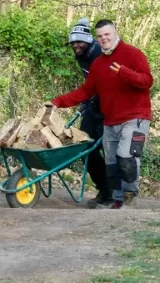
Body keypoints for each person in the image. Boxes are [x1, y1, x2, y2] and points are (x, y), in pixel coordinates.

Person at [50, 19, 153, 209]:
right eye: (100, 36)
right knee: (111, 161)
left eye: (107, 34)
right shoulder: (98, 64)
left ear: (114, 32)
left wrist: (124, 73)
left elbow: (147, 81)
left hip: (135, 116)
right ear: (96, 39)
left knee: (126, 155)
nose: (104, 38)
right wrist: (57, 102)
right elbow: (85, 91)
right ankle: (116, 199)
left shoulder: (133, 54)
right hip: (110, 119)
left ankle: (130, 193)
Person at [66, 18, 111, 208]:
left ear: (89, 40)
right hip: (92, 109)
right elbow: (89, 83)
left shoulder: (100, 54)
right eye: (73, 42)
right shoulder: (82, 54)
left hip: (107, 111)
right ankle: (103, 189)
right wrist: (86, 101)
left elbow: (108, 83)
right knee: (86, 148)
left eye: (80, 41)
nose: (76, 45)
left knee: (109, 153)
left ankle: (112, 194)